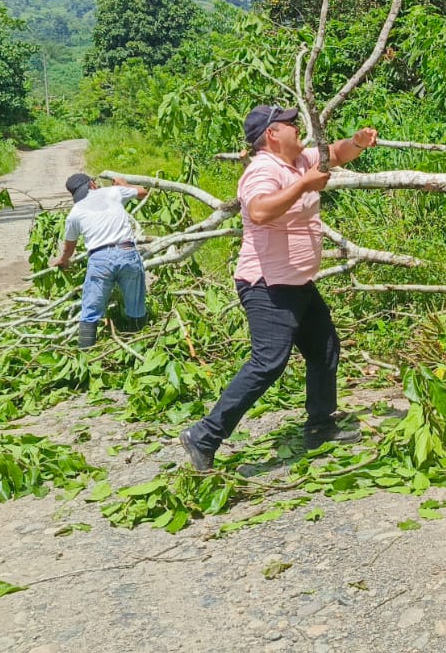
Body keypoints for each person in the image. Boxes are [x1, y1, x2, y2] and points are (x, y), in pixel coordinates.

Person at [178, 104, 377, 470]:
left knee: (324, 348)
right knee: (268, 362)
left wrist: (358, 142)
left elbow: (336, 153)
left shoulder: (299, 160)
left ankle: (320, 425)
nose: (296, 127)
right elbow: (259, 211)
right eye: (289, 123)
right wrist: (302, 185)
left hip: (298, 282)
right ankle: (204, 435)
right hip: (267, 285)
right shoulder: (263, 170)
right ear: (271, 134)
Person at [51, 172, 149, 347]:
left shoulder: (75, 213)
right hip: (127, 251)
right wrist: (124, 184)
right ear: (92, 184)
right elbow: (143, 192)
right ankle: (138, 344)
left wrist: (64, 260)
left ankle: (84, 352)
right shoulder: (114, 192)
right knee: (135, 304)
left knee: (90, 310)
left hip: (100, 259)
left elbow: (69, 248)